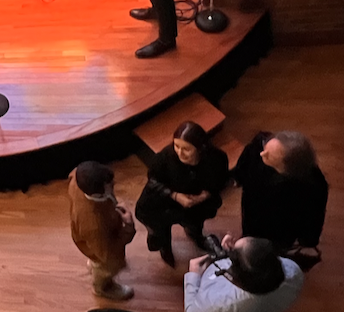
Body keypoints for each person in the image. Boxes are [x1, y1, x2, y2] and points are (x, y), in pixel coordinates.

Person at [135, 121, 229, 267]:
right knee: (162, 228)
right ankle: (165, 247)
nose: (179, 152)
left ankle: (195, 234)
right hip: (167, 200)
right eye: (176, 146)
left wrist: (203, 196)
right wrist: (175, 196)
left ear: (200, 148)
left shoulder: (216, 158)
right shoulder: (166, 156)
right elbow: (153, 179)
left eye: (186, 149)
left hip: (197, 202)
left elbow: (220, 179)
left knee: (195, 222)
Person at [233, 130, 328, 268]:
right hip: (252, 213)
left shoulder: (312, 185)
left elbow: (314, 215)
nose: (261, 154)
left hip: (280, 227)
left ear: (287, 167)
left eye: (269, 156)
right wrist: (239, 177)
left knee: (272, 250)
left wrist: (309, 239)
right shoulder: (260, 145)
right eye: (266, 148)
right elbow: (247, 158)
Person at [68, 161, 137, 300]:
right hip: (101, 248)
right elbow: (108, 252)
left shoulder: (78, 178)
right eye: (110, 186)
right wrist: (129, 226)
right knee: (106, 268)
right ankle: (102, 288)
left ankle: (94, 263)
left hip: (89, 239)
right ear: (98, 192)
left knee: (96, 256)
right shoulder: (94, 224)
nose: (113, 185)